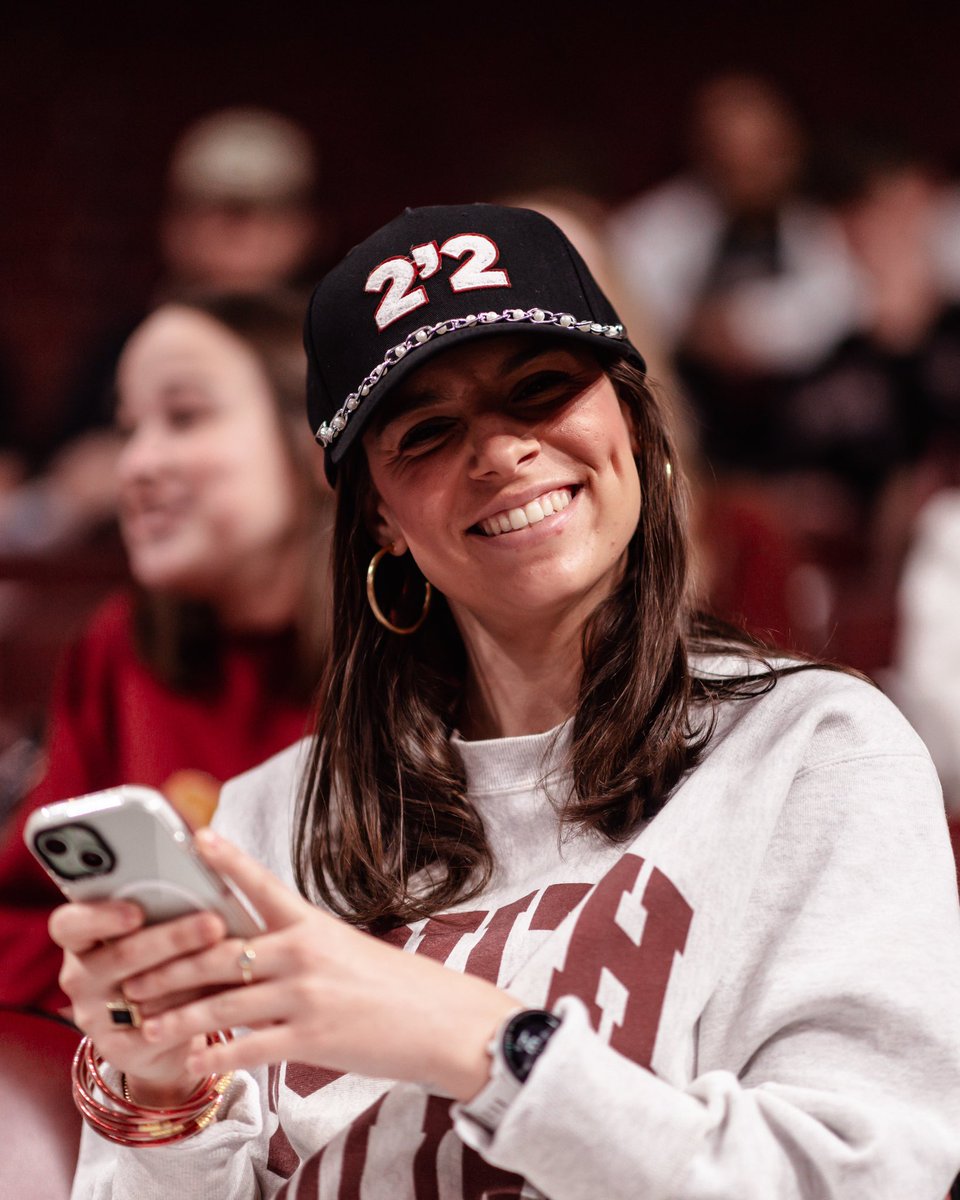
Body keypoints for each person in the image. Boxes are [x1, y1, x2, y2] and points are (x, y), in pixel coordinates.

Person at [52, 204, 960, 1199]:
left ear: (636, 426)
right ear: (381, 521)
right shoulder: (269, 818)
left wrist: (477, 1039)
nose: (499, 453)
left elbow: (863, 1181)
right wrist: (160, 1092)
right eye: (429, 432)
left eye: (540, 389)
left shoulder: (820, 752)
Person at [0, 287, 332, 1015]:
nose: (136, 465)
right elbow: (19, 926)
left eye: (184, 417)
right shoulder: (119, 645)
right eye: (127, 429)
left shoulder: (418, 642)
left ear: (316, 440)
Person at [0, 105, 328, 559]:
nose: (238, 234)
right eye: (214, 212)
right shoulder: (127, 349)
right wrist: (71, 487)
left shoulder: (337, 345)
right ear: (175, 226)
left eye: (263, 213)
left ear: (304, 229)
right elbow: (51, 481)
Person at [608, 72, 862, 474]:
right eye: (732, 153)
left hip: (803, 442)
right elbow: (637, 322)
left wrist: (741, 329)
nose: (751, 169)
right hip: (693, 437)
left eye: (767, 152)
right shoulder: (655, 231)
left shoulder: (818, 229)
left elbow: (837, 311)